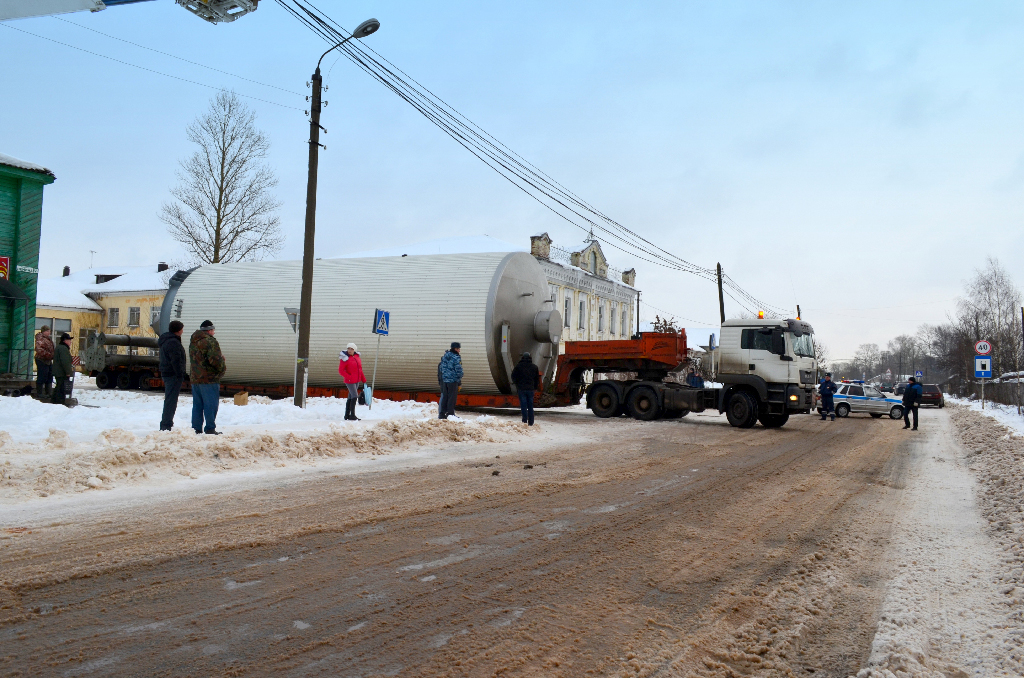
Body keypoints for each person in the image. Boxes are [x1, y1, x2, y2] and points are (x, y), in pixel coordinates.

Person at [189, 320, 226, 434]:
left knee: (197, 405)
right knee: (211, 405)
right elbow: (214, 360)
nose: (214, 333)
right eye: (213, 330)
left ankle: (196, 428)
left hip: (196, 378)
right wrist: (222, 367)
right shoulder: (210, 341)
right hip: (209, 379)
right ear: (209, 330)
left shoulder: (194, 341)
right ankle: (210, 428)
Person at [158, 320, 187, 431]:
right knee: (171, 400)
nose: (182, 331)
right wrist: (180, 374)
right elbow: (176, 360)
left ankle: (166, 424)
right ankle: (166, 425)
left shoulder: (166, 340)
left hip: (167, 373)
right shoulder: (173, 342)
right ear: (178, 330)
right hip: (172, 375)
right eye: (182, 329)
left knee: (170, 399)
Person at [338, 342, 367, 421]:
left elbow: (360, 370)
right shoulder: (345, 358)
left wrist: (363, 379)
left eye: (351, 349)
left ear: (355, 350)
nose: (350, 350)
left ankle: (347, 415)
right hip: (350, 381)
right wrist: (349, 377)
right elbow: (341, 371)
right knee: (354, 395)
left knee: (351, 397)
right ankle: (352, 415)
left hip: (356, 380)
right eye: (348, 348)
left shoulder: (357, 357)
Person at [511, 351, 541, 426]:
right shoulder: (534, 367)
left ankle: (524, 421)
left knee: (523, 405)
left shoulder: (518, 366)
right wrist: (535, 387)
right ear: (530, 357)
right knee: (530, 406)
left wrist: (517, 384)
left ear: (523, 357)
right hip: (530, 389)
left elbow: (513, 376)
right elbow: (537, 379)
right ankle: (531, 422)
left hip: (521, 389)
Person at [438, 342, 463, 420]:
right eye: (458, 349)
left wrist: (445, 377)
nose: (459, 351)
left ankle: (442, 414)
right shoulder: (456, 357)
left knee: (445, 397)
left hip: (445, 380)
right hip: (453, 380)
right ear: (455, 349)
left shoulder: (445, 356)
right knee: (452, 398)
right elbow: (458, 370)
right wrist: (459, 377)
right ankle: (450, 414)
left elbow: (441, 368)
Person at [50, 333, 75, 406]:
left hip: (59, 371)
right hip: (61, 372)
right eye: (69, 340)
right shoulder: (63, 348)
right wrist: (68, 372)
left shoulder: (60, 347)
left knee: (59, 386)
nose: (70, 342)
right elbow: (65, 361)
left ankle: (54, 401)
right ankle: (59, 402)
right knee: (61, 388)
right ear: (65, 341)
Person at [34, 325, 54, 398]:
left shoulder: (47, 339)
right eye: (48, 331)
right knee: (42, 376)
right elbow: (39, 349)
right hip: (42, 360)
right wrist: (49, 355)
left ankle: (48, 392)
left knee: (49, 376)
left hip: (48, 360)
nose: (49, 332)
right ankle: (40, 393)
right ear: (44, 331)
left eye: (49, 331)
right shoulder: (40, 338)